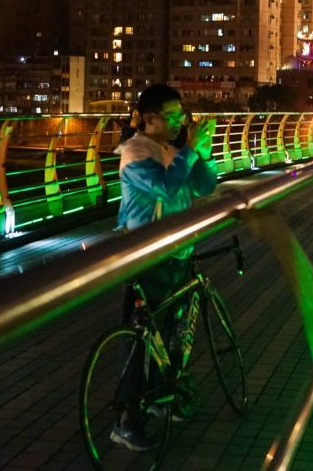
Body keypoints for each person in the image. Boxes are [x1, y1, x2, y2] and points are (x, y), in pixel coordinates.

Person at [111, 84, 217, 450]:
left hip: (178, 254)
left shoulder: (174, 148)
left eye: (180, 114)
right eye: (170, 116)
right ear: (148, 118)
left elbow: (205, 186)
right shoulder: (135, 152)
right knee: (140, 340)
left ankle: (160, 397)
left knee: (169, 335)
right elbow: (167, 188)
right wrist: (189, 151)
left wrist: (202, 153)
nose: (178, 121)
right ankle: (126, 419)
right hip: (148, 258)